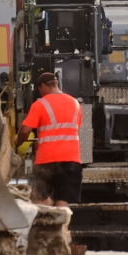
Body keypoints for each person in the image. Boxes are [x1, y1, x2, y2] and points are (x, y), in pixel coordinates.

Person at [19, 70, 83, 207]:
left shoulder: (40, 104)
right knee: (63, 199)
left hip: (46, 159)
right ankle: (61, 227)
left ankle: (44, 227)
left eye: (39, 89)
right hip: (71, 159)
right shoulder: (75, 103)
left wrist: (16, 143)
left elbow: (25, 131)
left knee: (42, 197)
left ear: (43, 86)